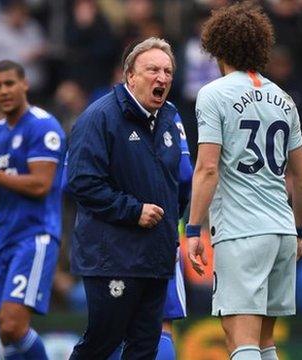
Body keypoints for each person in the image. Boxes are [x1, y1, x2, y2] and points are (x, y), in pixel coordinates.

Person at [186, 4, 302, 360]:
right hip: (282, 232)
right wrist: (299, 231)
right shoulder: (285, 100)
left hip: (242, 232)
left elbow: (207, 169)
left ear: (216, 47)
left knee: (239, 339)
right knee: (264, 343)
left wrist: (194, 228)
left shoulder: (214, 94)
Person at [65, 37, 187, 359]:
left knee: (145, 348)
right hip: (113, 258)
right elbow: (81, 182)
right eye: (152, 70)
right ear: (129, 76)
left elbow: (175, 185)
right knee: (102, 343)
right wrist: (134, 211)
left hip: (155, 260)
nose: (162, 78)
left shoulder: (168, 123)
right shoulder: (99, 117)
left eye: (167, 71)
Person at [0, 60, 65, 360]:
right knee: (6, 333)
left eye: (9, 83)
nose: (3, 91)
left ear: (24, 84)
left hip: (35, 235)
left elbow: (41, 185)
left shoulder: (43, 126)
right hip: (3, 240)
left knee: (13, 325)